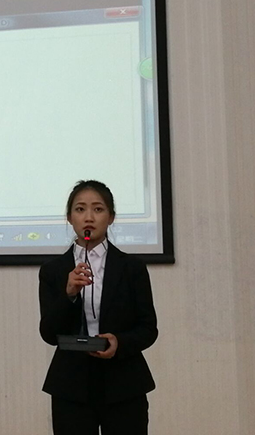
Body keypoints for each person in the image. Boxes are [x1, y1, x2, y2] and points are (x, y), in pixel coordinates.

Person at [38, 180, 157, 435]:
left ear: (111, 217)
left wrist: (118, 342)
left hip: (124, 383)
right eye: (80, 209)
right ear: (69, 217)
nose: (89, 217)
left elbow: (148, 329)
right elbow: (48, 333)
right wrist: (69, 294)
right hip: (71, 385)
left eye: (98, 209)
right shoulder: (53, 271)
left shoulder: (132, 268)